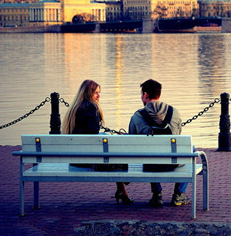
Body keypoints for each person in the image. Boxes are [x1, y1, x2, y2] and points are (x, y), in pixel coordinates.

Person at [62, 79, 132, 205]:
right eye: (96, 93)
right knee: (120, 159)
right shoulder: (91, 108)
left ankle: (122, 190)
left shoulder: (75, 108)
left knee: (112, 152)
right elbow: (94, 136)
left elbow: (89, 135)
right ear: (88, 94)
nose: (99, 96)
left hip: (76, 158)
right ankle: (124, 178)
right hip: (88, 160)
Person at [128, 79, 190, 207]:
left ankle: (157, 194)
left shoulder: (136, 117)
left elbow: (131, 143)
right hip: (173, 162)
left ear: (145, 95)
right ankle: (178, 194)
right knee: (190, 149)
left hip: (150, 165)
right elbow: (178, 135)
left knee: (149, 154)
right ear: (159, 94)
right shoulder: (174, 112)